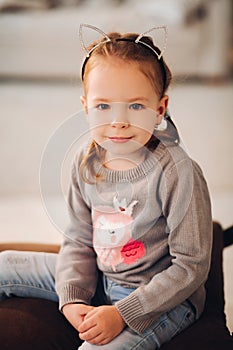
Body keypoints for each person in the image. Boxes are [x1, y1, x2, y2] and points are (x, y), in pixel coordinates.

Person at [0, 24, 212, 349]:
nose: (118, 121)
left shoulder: (178, 172)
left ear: (160, 109)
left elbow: (190, 267)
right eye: (103, 106)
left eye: (136, 106)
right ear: (86, 106)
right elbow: (78, 240)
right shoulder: (85, 164)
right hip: (102, 275)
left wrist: (122, 314)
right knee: (6, 265)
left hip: (158, 299)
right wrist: (71, 297)